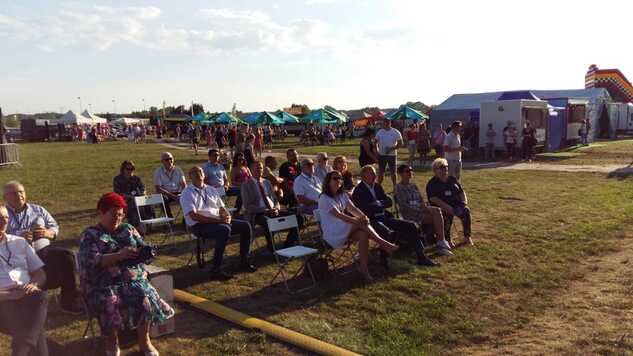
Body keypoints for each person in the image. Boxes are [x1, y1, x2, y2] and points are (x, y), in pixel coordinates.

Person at [78, 193, 174, 356]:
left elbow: (141, 248)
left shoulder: (128, 229)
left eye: (121, 215)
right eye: (113, 214)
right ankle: (112, 343)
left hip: (132, 280)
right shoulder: (90, 235)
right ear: (101, 212)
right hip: (102, 283)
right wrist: (119, 256)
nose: (118, 218)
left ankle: (144, 342)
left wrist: (146, 253)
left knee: (144, 296)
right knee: (110, 301)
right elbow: (92, 261)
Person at [4, 181, 82, 315]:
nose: (19, 196)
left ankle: (69, 300)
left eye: (21, 192)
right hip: (16, 255)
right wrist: (17, 237)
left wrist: (49, 233)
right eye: (14, 193)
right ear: (5, 198)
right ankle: (27, 300)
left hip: (43, 251)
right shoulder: (3, 215)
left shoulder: (38, 210)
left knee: (67, 255)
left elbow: (54, 226)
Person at [319, 172, 398, 281]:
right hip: (332, 232)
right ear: (328, 181)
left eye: (340, 178)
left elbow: (353, 209)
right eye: (335, 178)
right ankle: (383, 243)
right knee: (361, 223)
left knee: (363, 235)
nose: (338, 181)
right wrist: (359, 221)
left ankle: (364, 269)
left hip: (343, 228)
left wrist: (363, 216)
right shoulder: (324, 198)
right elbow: (340, 216)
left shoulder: (342, 195)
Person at [352, 166, 438, 267]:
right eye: (371, 173)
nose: (375, 175)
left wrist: (378, 203)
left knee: (411, 226)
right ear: (363, 176)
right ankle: (384, 260)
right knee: (385, 231)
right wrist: (376, 206)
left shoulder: (377, 186)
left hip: (384, 217)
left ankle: (421, 256)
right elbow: (362, 208)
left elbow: (389, 201)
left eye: (375, 173)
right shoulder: (359, 190)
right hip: (370, 220)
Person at [180, 166, 256, 278]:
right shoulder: (187, 193)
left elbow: (222, 208)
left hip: (217, 221)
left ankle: (244, 261)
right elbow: (194, 216)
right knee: (224, 230)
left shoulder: (211, 189)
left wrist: (228, 217)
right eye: (194, 172)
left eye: (200, 171)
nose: (198, 173)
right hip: (199, 225)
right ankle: (216, 270)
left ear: (204, 175)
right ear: (189, 176)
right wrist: (218, 220)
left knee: (245, 226)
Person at [0, 203, 49, 356]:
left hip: (25, 295)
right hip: (2, 302)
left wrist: (34, 284)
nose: (4, 221)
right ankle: (21, 351)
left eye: (6, 217)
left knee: (39, 295)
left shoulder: (19, 242)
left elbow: (40, 273)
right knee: (33, 326)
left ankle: (20, 349)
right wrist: (10, 295)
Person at [241, 161, 303, 253]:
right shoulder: (246, 185)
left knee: (299, 218)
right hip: (257, 213)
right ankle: (272, 249)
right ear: (250, 170)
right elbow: (248, 206)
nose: (260, 170)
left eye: (261, 168)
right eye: (257, 168)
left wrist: (277, 208)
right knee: (268, 222)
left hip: (273, 210)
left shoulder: (266, 182)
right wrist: (265, 210)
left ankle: (288, 245)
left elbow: (275, 199)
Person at [395, 165, 453, 254]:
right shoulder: (399, 187)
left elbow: (421, 200)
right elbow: (404, 205)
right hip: (410, 214)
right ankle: (441, 242)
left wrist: (424, 207)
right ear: (401, 174)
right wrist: (421, 208)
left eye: (411, 170)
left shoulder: (413, 185)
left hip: (421, 210)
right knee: (436, 217)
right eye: (407, 171)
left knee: (438, 211)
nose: (410, 172)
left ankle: (440, 241)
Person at [426, 158, 473, 247]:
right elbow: (434, 199)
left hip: (457, 205)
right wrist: (449, 208)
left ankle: (467, 237)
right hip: (442, 207)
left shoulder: (452, 179)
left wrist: (463, 203)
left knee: (466, 211)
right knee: (447, 214)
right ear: (435, 170)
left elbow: (461, 192)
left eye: (446, 167)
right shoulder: (432, 183)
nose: (445, 169)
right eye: (442, 167)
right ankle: (447, 239)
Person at [113, 160, 147, 229]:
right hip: (123, 200)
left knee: (148, 203)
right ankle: (135, 226)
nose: (130, 171)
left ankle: (146, 224)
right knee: (133, 205)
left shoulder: (136, 179)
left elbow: (143, 188)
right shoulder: (117, 179)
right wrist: (130, 197)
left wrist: (142, 193)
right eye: (128, 169)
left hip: (137, 199)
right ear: (123, 169)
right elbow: (117, 193)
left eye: (132, 169)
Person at [153, 152, 186, 218]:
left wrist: (185, 193)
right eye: (166, 160)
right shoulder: (158, 171)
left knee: (188, 196)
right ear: (162, 161)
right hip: (166, 194)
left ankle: (186, 219)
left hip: (178, 193)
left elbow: (184, 184)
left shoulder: (178, 170)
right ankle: (169, 218)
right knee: (163, 199)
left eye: (170, 159)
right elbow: (158, 188)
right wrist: (173, 196)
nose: (169, 161)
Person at [375, 119, 403, 187]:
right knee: (381, 172)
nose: (384, 125)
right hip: (381, 155)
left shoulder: (395, 132)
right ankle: (378, 186)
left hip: (392, 155)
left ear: (389, 123)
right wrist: (377, 150)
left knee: (393, 172)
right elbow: (375, 142)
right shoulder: (380, 132)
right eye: (383, 123)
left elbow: (400, 143)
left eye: (386, 123)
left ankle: (395, 186)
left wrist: (391, 149)